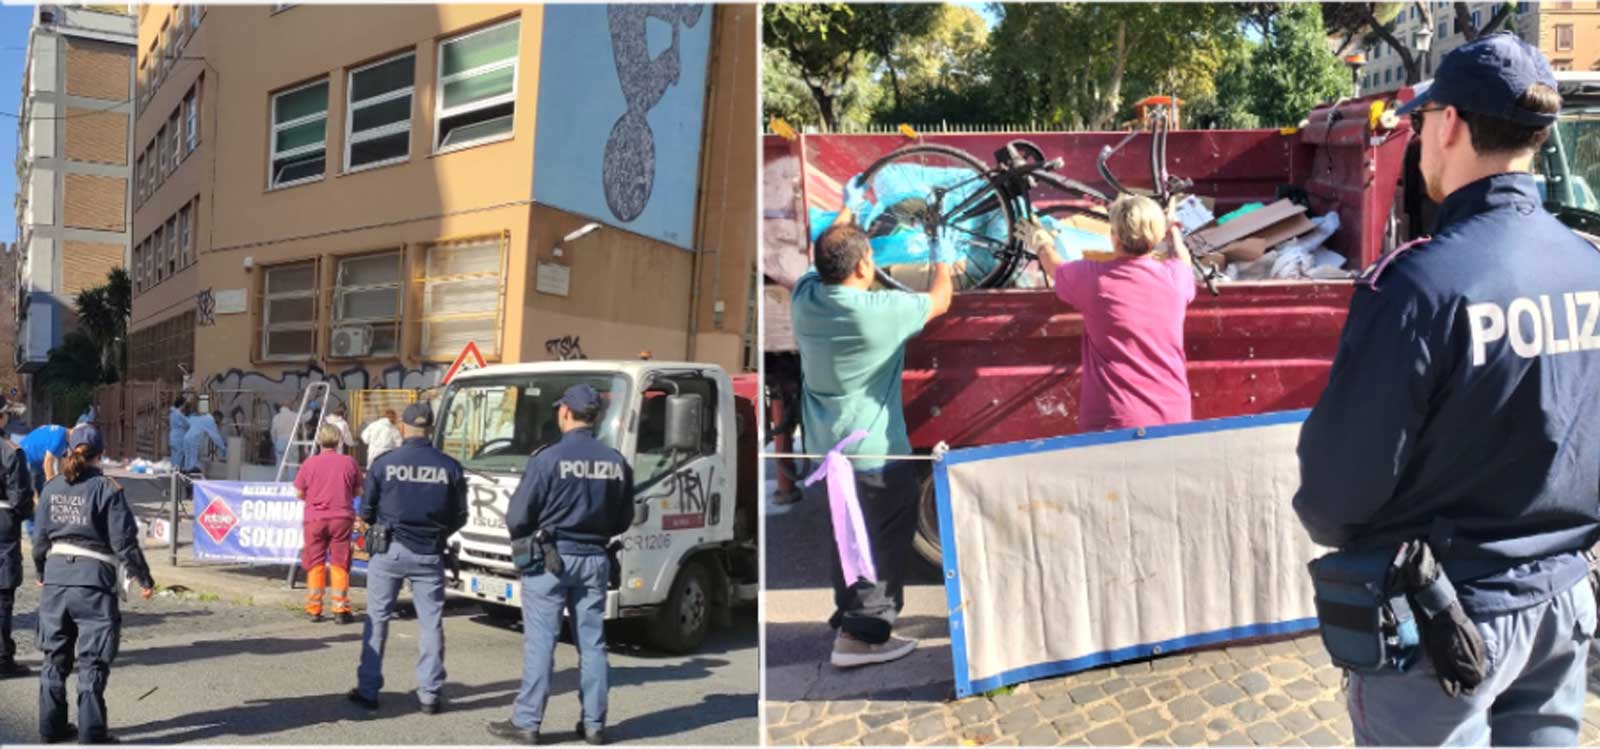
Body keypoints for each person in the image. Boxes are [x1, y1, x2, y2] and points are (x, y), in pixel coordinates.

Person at [1294, 35, 1600, 746]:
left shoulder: (1420, 286)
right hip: (1561, 603)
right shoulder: (1588, 268)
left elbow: (1335, 492)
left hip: (1443, 623)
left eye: (1424, 121)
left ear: (1452, 125)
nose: (1421, 138)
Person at [788, 177, 954, 669]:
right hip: (874, 454)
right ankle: (863, 636)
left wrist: (846, 210)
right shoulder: (876, 312)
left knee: (847, 535)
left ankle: (849, 615)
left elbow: (828, 253)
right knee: (878, 542)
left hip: (827, 452)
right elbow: (941, 298)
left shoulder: (805, 299)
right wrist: (941, 253)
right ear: (865, 265)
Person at [488, 385, 633, 746]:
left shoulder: (547, 458)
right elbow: (623, 519)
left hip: (551, 560)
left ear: (566, 413)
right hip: (596, 559)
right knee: (593, 643)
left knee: (541, 643)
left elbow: (518, 516)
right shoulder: (615, 461)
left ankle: (527, 723)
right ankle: (595, 724)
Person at [1023, 194, 1195, 432]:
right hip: (1174, 416)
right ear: (1156, 237)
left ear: (1114, 237)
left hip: (1114, 419)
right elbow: (1183, 259)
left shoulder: (1094, 278)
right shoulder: (1176, 277)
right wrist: (1173, 229)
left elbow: (1054, 266)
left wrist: (1041, 242)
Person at [33, 424, 155, 744]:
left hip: (56, 579)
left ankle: (51, 728)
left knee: (54, 660)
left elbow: (39, 540)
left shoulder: (51, 487)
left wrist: (40, 573)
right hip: (93, 584)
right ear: (100, 455)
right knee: (92, 662)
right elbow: (124, 542)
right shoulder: (107, 489)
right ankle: (92, 734)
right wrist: (144, 578)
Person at [348, 402, 467, 714]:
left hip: (389, 549)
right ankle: (429, 694)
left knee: (378, 618)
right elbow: (460, 515)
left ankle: (368, 689)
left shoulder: (386, 463)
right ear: (431, 428)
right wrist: (437, 533)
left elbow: (367, 511)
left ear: (402, 428)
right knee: (430, 623)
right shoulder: (450, 466)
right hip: (430, 551)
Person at [293, 425, 362, 624]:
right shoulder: (349, 462)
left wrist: (313, 497)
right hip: (342, 518)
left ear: (319, 441)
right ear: (339, 440)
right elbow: (358, 492)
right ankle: (340, 608)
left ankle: (314, 608)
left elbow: (299, 493)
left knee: (315, 562)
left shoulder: (310, 463)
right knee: (340, 562)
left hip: (315, 519)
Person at [0, 395, 33, 678]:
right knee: (2, 592)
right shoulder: (10, 451)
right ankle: (2, 658)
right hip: (2, 521)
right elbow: (21, 498)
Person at [20, 423, 70, 497]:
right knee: (33, 493)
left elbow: (62, 463)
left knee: (42, 492)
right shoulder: (60, 437)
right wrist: (51, 484)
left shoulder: (66, 440)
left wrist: (63, 483)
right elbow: (48, 462)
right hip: (27, 457)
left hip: (37, 461)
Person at [181, 410, 227, 474]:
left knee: (188, 460)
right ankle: (192, 478)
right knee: (192, 463)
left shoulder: (203, 417)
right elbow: (216, 437)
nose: (219, 422)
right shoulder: (210, 421)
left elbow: (189, 420)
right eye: (220, 420)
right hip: (194, 440)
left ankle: (186, 476)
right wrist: (223, 448)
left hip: (187, 438)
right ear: (217, 417)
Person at [270, 401, 298, 467]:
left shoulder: (276, 417)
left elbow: (273, 432)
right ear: (289, 407)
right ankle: (292, 477)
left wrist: (275, 442)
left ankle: (279, 477)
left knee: (279, 463)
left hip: (280, 440)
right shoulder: (294, 415)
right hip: (292, 440)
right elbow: (306, 417)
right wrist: (311, 409)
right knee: (292, 463)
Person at [167, 397, 190, 466]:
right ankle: (176, 473)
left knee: (174, 456)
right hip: (179, 437)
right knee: (178, 457)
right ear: (182, 404)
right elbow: (187, 424)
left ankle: (174, 472)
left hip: (174, 436)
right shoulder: (178, 414)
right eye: (185, 404)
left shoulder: (173, 413)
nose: (185, 406)